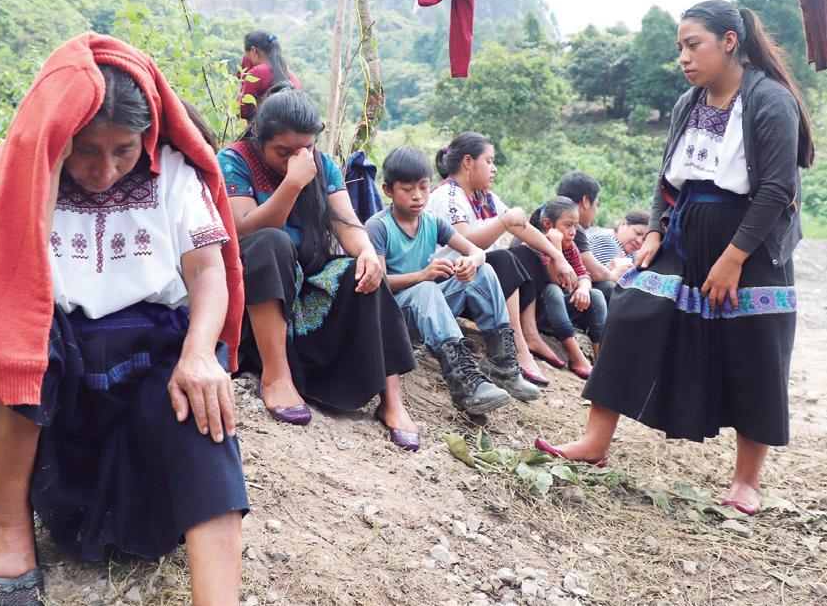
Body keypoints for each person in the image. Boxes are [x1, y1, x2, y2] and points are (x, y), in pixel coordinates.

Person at [0, 35, 248, 605]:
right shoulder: (22, 175)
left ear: (147, 138)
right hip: (61, 385)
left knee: (197, 394)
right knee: (22, 337)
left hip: (148, 361)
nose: (104, 169)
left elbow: (209, 270)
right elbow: (11, 272)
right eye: (86, 149)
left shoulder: (174, 175)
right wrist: (47, 163)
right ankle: (8, 529)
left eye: (124, 151)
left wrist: (198, 354)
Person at [536, 0, 814, 517]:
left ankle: (746, 481)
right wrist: (656, 230)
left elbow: (778, 190)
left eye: (693, 45)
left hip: (751, 242)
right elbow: (667, 178)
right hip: (685, 235)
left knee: (756, 346)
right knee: (630, 313)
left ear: (729, 42)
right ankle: (594, 442)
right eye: (680, 47)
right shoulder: (688, 102)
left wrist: (733, 258)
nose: (683, 57)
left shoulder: (770, 100)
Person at [218, 88, 420, 450]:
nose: (295, 159)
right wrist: (293, 183)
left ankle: (392, 400)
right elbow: (245, 229)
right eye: (283, 152)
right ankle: (276, 376)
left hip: (306, 278)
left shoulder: (322, 165)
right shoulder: (235, 161)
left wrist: (367, 253)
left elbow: (347, 223)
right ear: (259, 137)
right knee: (271, 242)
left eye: (305, 149)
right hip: (257, 287)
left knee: (364, 271)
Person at [366, 146, 513, 416]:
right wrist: (422, 275)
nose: (417, 196)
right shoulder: (379, 226)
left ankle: (502, 363)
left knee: (485, 271)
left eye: (423, 188)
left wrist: (470, 263)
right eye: (407, 189)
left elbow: (477, 251)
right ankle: (464, 383)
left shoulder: (432, 222)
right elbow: (379, 282)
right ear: (388, 190)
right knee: (425, 288)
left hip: (428, 308)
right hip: (395, 316)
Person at [428, 132, 579, 395]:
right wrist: (503, 222)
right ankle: (516, 348)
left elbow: (522, 227)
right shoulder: (447, 196)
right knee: (503, 259)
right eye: (489, 161)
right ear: (467, 162)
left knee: (528, 256)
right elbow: (465, 241)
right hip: (452, 283)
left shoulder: (484, 197)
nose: (494, 168)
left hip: (477, 280)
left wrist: (558, 257)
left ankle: (528, 334)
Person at [533, 197, 606, 372]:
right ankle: (576, 357)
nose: (573, 232)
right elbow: (554, 279)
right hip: (540, 310)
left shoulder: (570, 247)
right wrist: (556, 248)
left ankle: (601, 359)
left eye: (575, 226)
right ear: (548, 224)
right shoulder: (535, 244)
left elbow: (583, 273)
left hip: (561, 310)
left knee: (596, 294)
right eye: (568, 225)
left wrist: (583, 288)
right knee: (553, 289)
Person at [237, 30, 302, 121]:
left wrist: (245, 74)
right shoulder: (292, 76)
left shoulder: (257, 72)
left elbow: (241, 111)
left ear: (253, 50)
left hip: (266, 126)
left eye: (246, 54)